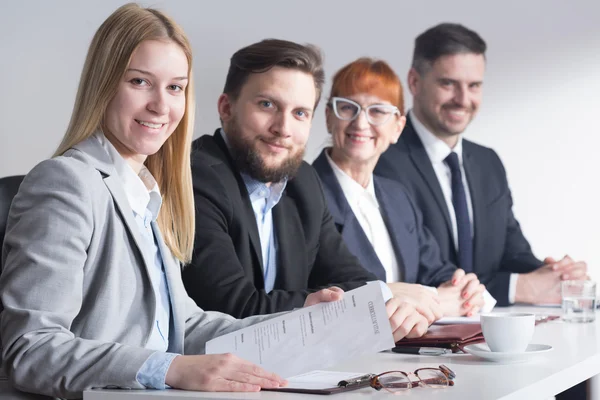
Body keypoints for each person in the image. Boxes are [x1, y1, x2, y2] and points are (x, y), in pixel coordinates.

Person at [0, 5, 345, 398]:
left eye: (175, 87)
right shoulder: (67, 182)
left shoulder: (146, 192)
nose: (161, 106)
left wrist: (297, 323)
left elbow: (187, 325)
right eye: (140, 82)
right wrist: (171, 367)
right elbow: (31, 349)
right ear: (104, 83)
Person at [183, 38, 434, 326]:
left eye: (299, 113)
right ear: (227, 108)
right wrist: (357, 299)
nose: (283, 129)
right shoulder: (196, 177)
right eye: (267, 104)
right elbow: (233, 306)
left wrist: (378, 297)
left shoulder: (303, 180)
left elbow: (355, 279)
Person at [374, 23, 587, 306]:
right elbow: (422, 276)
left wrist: (555, 276)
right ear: (414, 82)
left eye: (474, 85)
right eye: (448, 83)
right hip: (424, 341)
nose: (463, 100)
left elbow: (512, 253)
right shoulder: (383, 161)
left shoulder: (488, 162)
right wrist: (518, 287)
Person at [312, 57, 487, 317]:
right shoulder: (303, 195)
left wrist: (464, 289)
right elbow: (316, 293)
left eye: (378, 111)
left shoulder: (397, 195)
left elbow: (436, 270)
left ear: (397, 128)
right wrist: (431, 300)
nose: (361, 124)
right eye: (348, 108)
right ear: (328, 117)